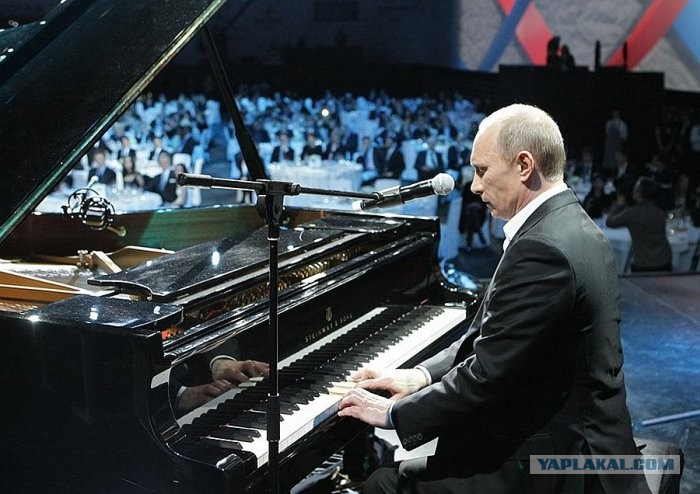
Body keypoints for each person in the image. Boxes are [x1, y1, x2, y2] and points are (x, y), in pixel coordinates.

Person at [338, 104, 649, 494]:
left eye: (482, 170)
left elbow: (486, 375)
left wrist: (393, 414)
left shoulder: (544, 249)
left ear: (524, 165)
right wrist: (420, 376)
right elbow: (493, 341)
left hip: (561, 462)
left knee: (384, 484)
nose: (474, 185)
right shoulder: (566, 224)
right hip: (577, 436)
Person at [606, 177, 672, 272]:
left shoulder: (631, 213)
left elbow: (609, 222)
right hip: (664, 261)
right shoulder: (660, 212)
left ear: (639, 193)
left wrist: (619, 205)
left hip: (643, 264)